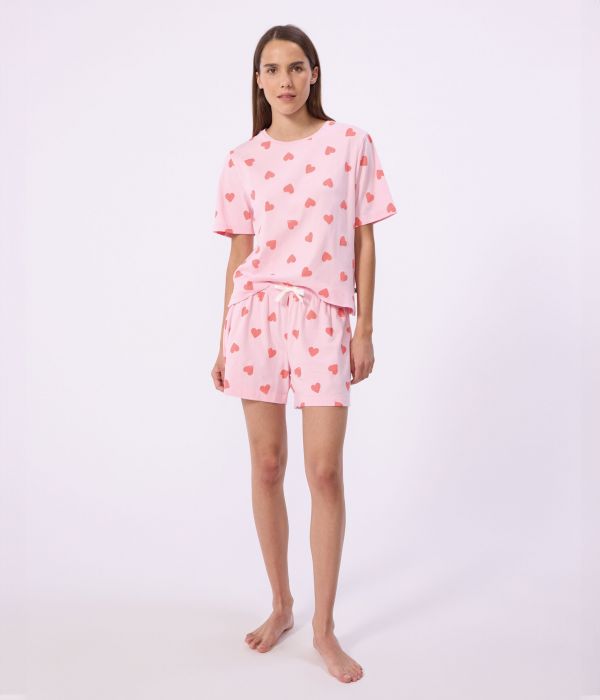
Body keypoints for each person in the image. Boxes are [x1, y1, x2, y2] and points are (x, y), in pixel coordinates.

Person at [209, 24, 397, 684]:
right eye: (271, 69)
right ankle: (283, 605)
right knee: (267, 465)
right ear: (257, 81)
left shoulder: (351, 144)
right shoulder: (242, 159)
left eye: (296, 67)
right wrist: (223, 339)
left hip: (324, 316)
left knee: (323, 472)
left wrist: (363, 329)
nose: (284, 80)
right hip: (255, 316)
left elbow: (364, 239)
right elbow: (239, 252)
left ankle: (324, 629)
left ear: (314, 73)